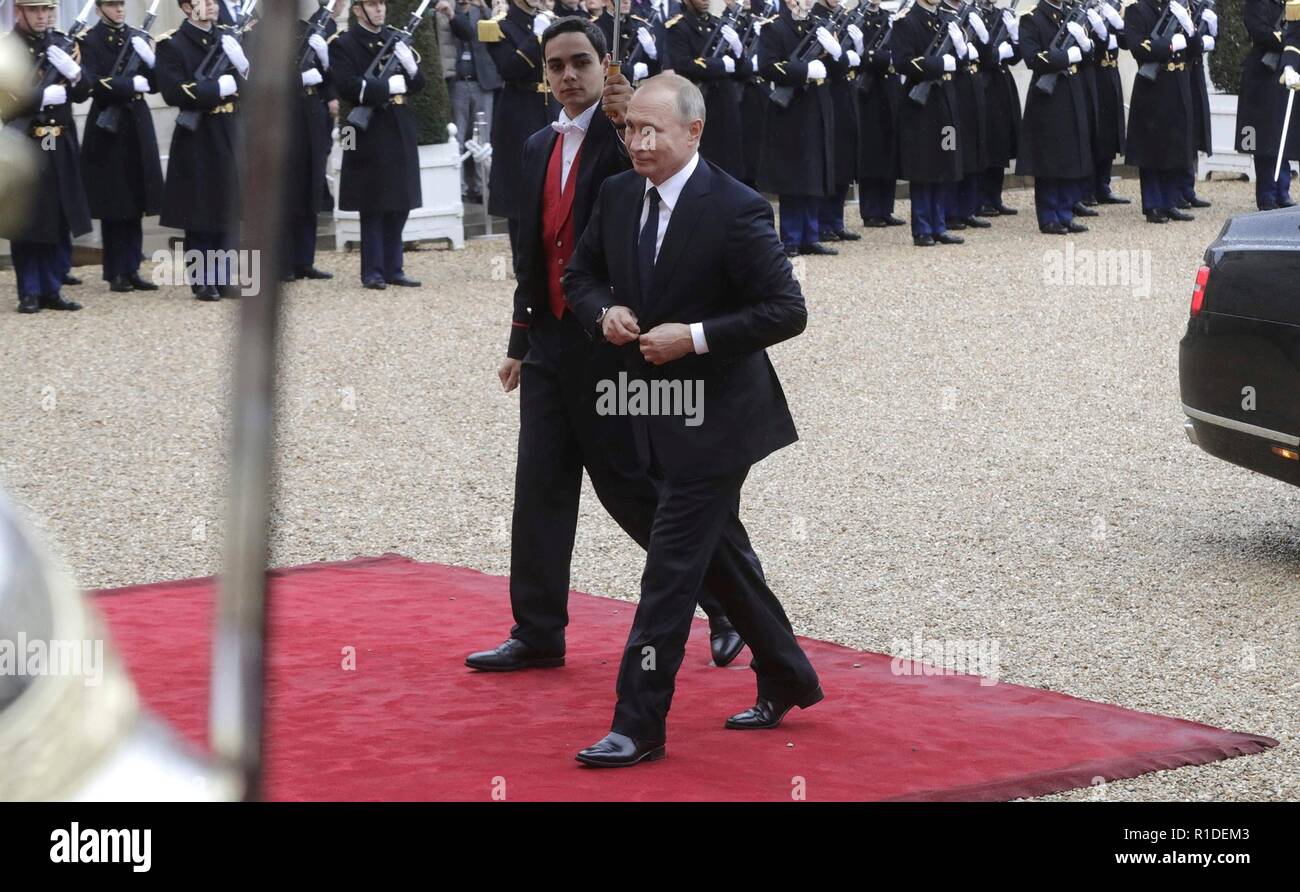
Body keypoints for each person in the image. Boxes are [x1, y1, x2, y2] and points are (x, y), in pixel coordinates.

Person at [467, 17, 745, 675]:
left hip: (614, 341)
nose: (568, 75)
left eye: (580, 63)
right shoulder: (536, 144)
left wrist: (629, 129)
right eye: (556, 65)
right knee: (539, 488)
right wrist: (519, 338)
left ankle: (727, 601)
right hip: (549, 347)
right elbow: (531, 253)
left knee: (632, 487)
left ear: (605, 65)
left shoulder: (633, 137)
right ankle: (537, 630)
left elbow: (665, 190)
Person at [564, 73, 822, 768]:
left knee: (672, 570)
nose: (638, 143)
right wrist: (601, 312)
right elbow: (579, 276)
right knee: (722, 557)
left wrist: (696, 336)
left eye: (653, 131)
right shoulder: (618, 195)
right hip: (646, 411)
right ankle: (790, 674)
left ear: (694, 131)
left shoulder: (735, 208)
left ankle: (638, 721)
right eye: (629, 130)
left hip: (721, 420)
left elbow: (786, 310)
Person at [0, 0, 92, 314]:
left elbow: (83, 92)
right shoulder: (7, 50)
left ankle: (51, 287)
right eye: (35, 10)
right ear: (18, 12)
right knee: (29, 214)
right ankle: (29, 290)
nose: (43, 16)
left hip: (53, 139)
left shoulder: (62, 44)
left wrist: (75, 74)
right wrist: (40, 97)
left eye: (47, 10)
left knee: (54, 208)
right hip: (26, 140)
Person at [155, 0, 248, 300]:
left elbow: (251, 88)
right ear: (185, 7)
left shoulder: (227, 38)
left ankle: (223, 277)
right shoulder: (173, 44)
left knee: (227, 207)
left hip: (228, 130)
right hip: (197, 134)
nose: (211, 6)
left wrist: (244, 67)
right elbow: (172, 91)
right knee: (199, 210)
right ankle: (202, 279)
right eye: (203, 1)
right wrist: (214, 90)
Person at [332, 0, 425, 289]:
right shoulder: (344, 43)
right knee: (372, 201)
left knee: (401, 200)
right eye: (372, 5)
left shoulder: (393, 39)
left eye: (381, 4)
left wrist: (410, 66)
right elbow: (346, 85)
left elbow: (419, 84)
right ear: (358, 10)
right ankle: (372, 270)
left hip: (398, 123)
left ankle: (394, 267)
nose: (380, 10)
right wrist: (386, 87)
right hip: (367, 129)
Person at [79, 0, 166, 294]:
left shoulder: (136, 37)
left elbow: (155, 84)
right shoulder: (90, 40)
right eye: (112, 5)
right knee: (115, 201)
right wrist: (130, 85)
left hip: (135, 122)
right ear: (99, 9)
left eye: (121, 4)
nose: (119, 10)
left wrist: (152, 63)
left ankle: (132, 267)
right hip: (108, 125)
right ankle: (115, 270)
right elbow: (94, 82)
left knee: (135, 199)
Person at [480, 0, 559, 262]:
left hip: (551, 108)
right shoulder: (498, 28)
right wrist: (537, 38)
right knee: (522, 187)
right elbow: (509, 69)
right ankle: (524, 260)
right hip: (519, 111)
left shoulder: (548, 20)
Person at [757, 0, 837, 256]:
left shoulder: (817, 26)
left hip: (815, 108)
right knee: (794, 175)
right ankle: (791, 238)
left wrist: (837, 52)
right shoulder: (775, 28)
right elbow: (768, 67)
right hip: (790, 113)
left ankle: (810, 236)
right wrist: (803, 70)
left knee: (813, 172)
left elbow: (835, 68)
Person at [1016, 0, 1093, 234]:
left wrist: (1085, 44)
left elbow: (1085, 60)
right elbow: (1032, 58)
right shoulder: (1032, 19)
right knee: (1050, 157)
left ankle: (1065, 212)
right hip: (1047, 97)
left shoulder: (1071, 16)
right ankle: (1049, 216)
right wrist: (1065, 57)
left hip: (1070, 93)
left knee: (1070, 154)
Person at [893, 0, 964, 246]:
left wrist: (961, 49)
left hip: (945, 102)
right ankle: (922, 228)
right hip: (920, 106)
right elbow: (903, 61)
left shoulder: (945, 19)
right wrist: (938, 64)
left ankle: (940, 225)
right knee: (923, 167)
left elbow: (957, 60)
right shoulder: (906, 21)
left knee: (945, 160)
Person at [1125, 0, 1197, 223]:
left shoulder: (1177, 9)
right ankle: (1153, 204)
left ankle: (1170, 201)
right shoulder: (1137, 10)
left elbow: (1195, 51)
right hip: (1153, 87)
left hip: (1178, 84)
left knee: (1175, 145)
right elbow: (1137, 47)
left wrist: (1190, 28)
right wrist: (1168, 46)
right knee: (1152, 148)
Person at [281, 0, 337, 282]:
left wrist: (326, 62)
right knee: (288, 190)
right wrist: (298, 78)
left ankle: (305, 259)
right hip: (285, 117)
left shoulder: (309, 30)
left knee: (311, 185)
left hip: (311, 113)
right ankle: (284, 262)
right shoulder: (262, 35)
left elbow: (328, 79)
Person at [665, 0, 751, 181]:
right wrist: (720, 65)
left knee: (730, 165)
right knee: (704, 165)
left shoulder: (718, 24)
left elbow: (744, 71)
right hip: (699, 102)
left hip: (726, 104)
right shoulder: (679, 27)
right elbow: (683, 64)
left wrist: (738, 50)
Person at [1237, 0, 1298, 210]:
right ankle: (1267, 195)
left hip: (1283, 73)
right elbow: (1258, 30)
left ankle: (1282, 190)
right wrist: (1286, 39)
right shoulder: (1258, 2)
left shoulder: (1288, 3)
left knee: (1282, 137)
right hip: (1262, 77)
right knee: (1263, 141)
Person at [810, 0, 861, 242]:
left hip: (844, 96)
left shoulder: (840, 17)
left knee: (843, 162)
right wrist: (842, 56)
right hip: (828, 95)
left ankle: (836, 220)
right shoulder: (817, 19)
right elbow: (832, 65)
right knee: (830, 163)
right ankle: (823, 222)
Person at [445, 0, 500, 206]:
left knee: (483, 139)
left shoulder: (483, 12)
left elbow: (496, 30)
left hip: (482, 81)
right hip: (458, 82)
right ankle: (458, 188)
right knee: (457, 137)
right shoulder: (446, 12)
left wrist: (485, 7)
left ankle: (482, 189)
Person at [854, 0, 902, 227]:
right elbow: (861, 57)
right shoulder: (856, 18)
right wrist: (881, 58)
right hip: (869, 93)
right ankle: (870, 210)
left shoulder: (888, 18)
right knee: (871, 151)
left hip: (889, 90)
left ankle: (886, 208)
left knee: (889, 148)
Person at [977, 0, 1021, 217]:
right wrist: (996, 55)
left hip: (1001, 84)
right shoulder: (972, 15)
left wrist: (1014, 37)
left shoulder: (1000, 14)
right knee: (986, 141)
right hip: (982, 84)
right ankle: (981, 198)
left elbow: (1017, 57)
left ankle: (995, 197)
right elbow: (974, 54)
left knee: (1000, 141)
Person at [1088, 0, 1129, 206]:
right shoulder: (1085, 9)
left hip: (1111, 73)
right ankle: (1088, 187)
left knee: (1110, 131)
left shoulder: (1111, 7)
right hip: (1094, 74)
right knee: (1095, 131)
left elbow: (1126, 42)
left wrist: (1120, 26)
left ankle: (1103, 184)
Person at [1179, 1, 1216, 209]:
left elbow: (1206, 40)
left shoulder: (1195, 5)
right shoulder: (1174, 8)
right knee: (1181, 130)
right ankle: (1177, 190)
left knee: (1192, 129)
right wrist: (1200, 42)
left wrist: (1212, 33)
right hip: (1180, 71)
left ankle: (1187, 188)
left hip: (1194, 72)